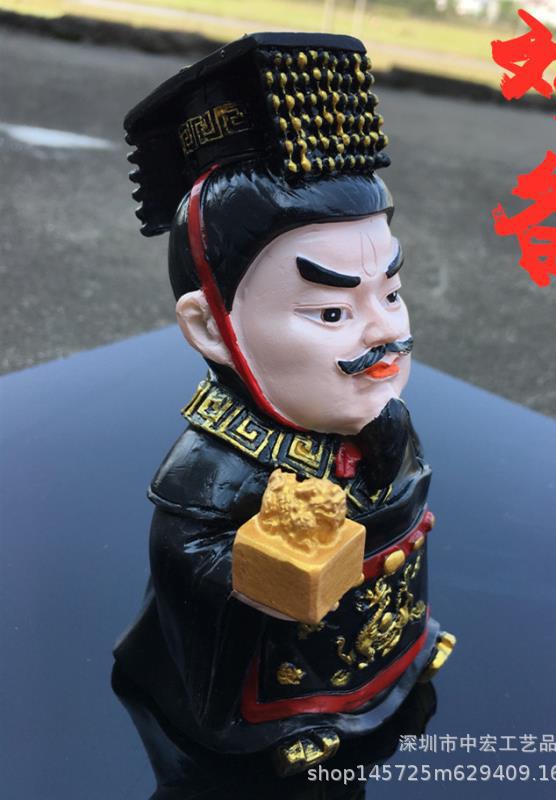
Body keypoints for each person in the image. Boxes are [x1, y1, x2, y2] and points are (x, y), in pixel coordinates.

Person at [113, 31, 454, 775]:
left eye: (391, 294)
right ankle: (278, 723)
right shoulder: (220, 458)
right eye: (331, 312)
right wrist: (254, 576)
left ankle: (400, 661)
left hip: (376, 610)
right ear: (212, 327)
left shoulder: (380, 416)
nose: (384, 332)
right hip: (282, 662)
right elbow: (181, 551)